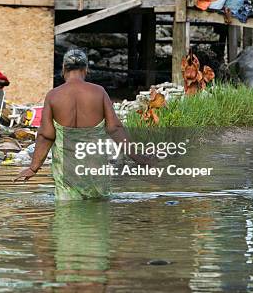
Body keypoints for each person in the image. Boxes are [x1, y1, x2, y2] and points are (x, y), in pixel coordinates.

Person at [14, 49, 153, 199]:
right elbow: (115, 128)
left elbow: (45, 135)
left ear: (63, 69)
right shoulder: (99, 92)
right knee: (98, 213)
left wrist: (33, 168)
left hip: (66, 173)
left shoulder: (53, 96)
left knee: (66, 213)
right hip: (96, 170)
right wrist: (139, 158)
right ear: (86, 69)